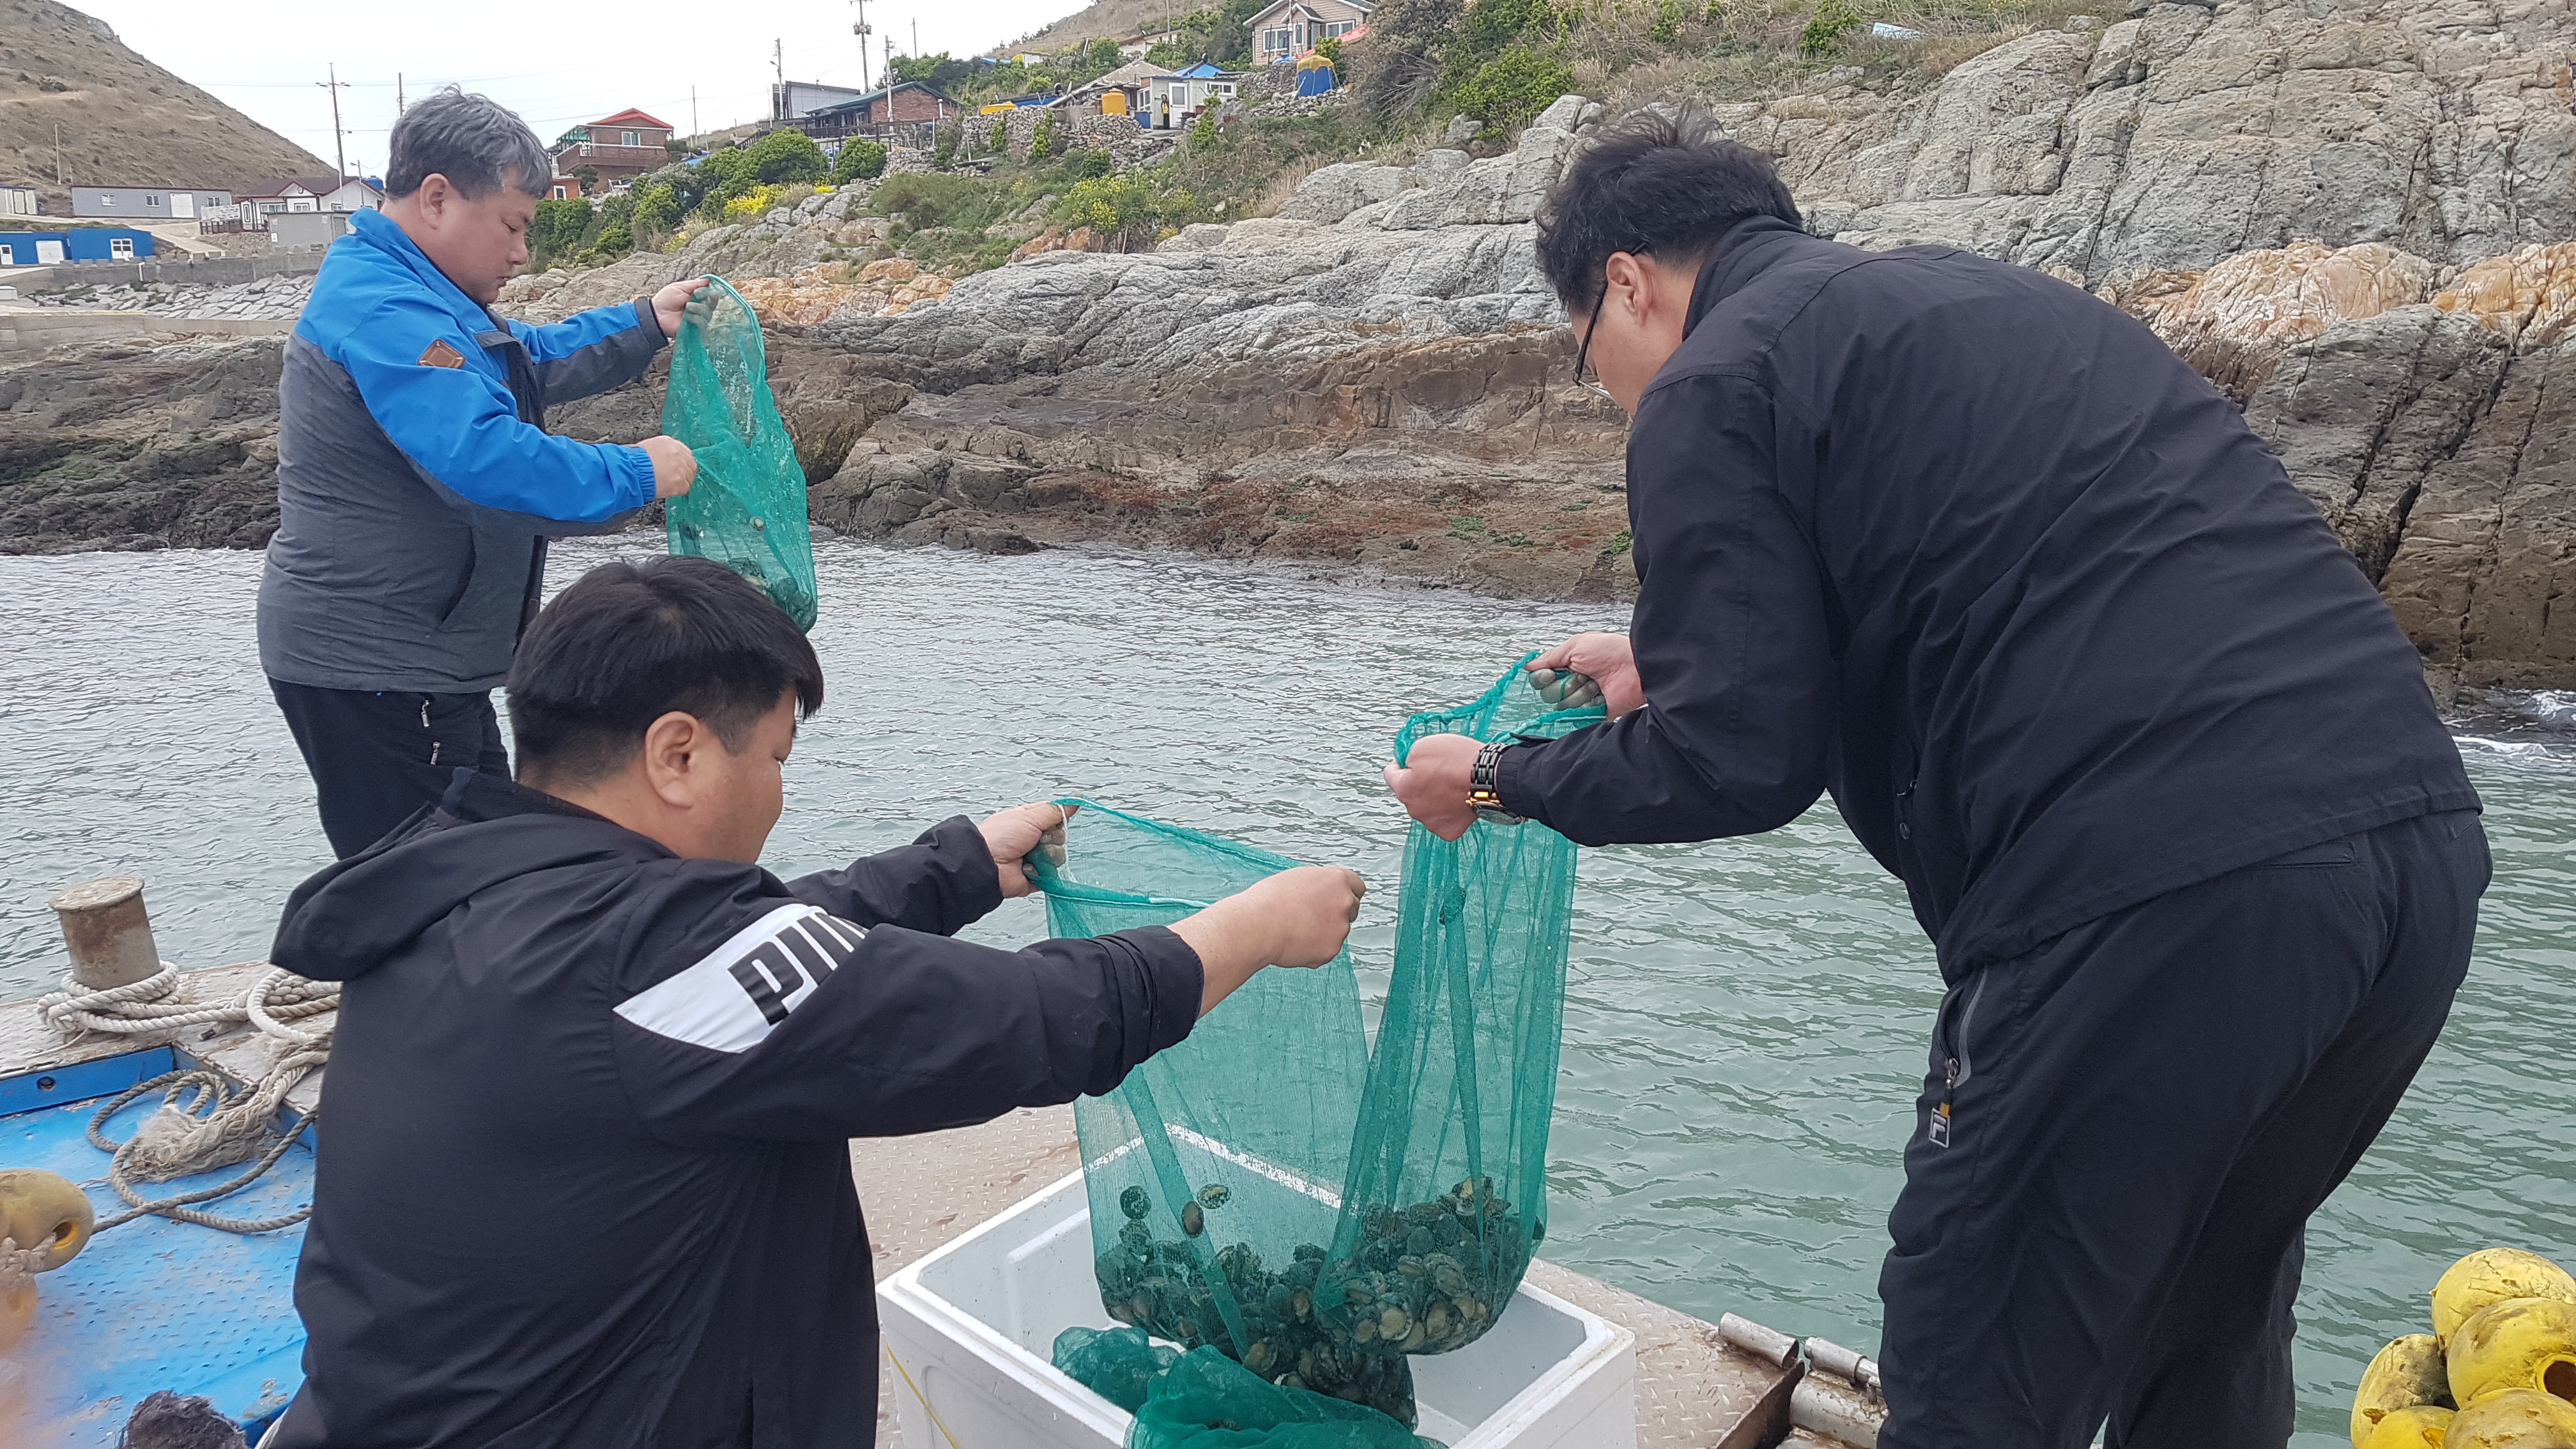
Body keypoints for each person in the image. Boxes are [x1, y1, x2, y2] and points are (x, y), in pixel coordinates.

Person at [1384, 109, 2488, 1448]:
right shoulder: (1990, 299)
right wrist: (1659, 659)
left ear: (1627, 280)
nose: (1609, 387)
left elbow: (1739, 765)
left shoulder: (1713, 381)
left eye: (1585, 360)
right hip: (2413, 851)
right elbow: (2003, 579)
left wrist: (1500, 778)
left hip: (2152, 886)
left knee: (1976, 1355)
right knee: (2207, 1313)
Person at [263, 554, 1367, 1446]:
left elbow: (758, 944)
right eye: (779, 755)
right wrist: (1256, 928)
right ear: (678, 753)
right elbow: (1041, 1022)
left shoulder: (476, 891)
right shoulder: (647, 965)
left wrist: (959, 865)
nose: (782, 791)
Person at [258, 86, 713, 858]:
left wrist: (643, 323)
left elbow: (521, 359)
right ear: (437, 198)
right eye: (512, 225)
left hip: (428, 657)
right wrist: (638, 472)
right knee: (425, 890)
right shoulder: (387, 312)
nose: (520, 254)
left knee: (479, 871)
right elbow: (485, 458)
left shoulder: (419, 295)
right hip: (380, 667)